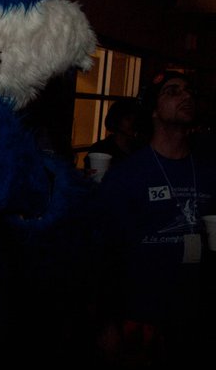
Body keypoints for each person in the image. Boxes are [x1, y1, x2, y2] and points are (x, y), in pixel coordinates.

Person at [89, 70, 216, 369]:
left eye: (189, 91)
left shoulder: (208, 171)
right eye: (173, 91)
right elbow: (102, 253)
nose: (186, 96)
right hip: (141, 319)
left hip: (195, 317)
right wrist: (105, 323)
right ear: (154, 111)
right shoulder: (127, 175)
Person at [86, 98, 141, 172]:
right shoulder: (100, 149)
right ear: (117, 120)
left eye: (135, 119)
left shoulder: (138, 148)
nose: (133, 123)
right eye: (128, 119)